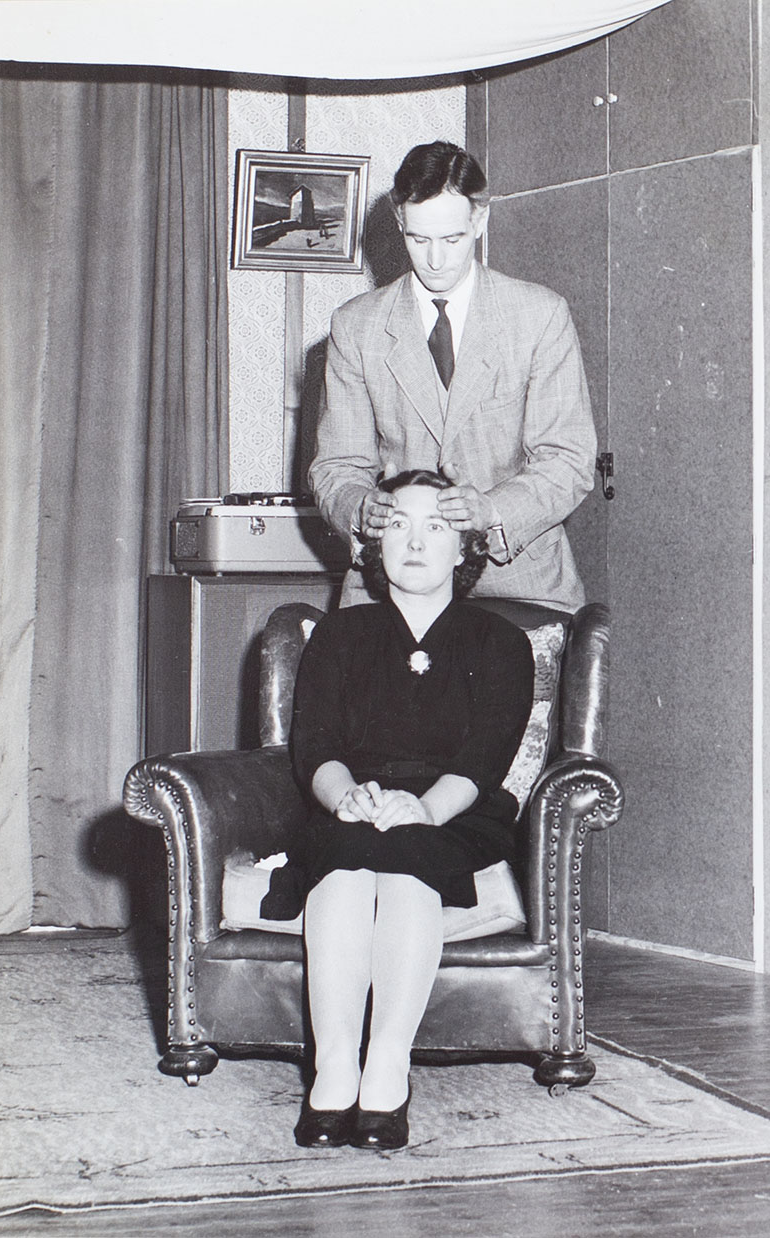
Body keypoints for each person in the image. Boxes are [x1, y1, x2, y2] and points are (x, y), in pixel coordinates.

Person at [261, 470, 535, 1150]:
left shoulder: (499, 642)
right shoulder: (339, 635)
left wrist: (424, 808)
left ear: (464, 549)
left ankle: (386, 1068)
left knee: (408, 863)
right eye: (398, 526)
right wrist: (345, 796)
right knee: (346, 867)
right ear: (376, 544)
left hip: (453, 809)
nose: (414, 542)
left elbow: (483, 760)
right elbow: (313, 747)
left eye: (435, 526)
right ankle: (332, 1072)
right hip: (352, 801)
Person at [309, 139, 597, 612]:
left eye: (452, 239)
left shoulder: (540, 316)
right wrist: (360, 506)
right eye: (418, 240)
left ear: (479, 220)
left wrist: (494, 511)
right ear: (399, 220)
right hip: (391, 586)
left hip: (519, 583)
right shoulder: (355, 326)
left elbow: (568, 459)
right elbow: (336, 467)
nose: (436, 261)